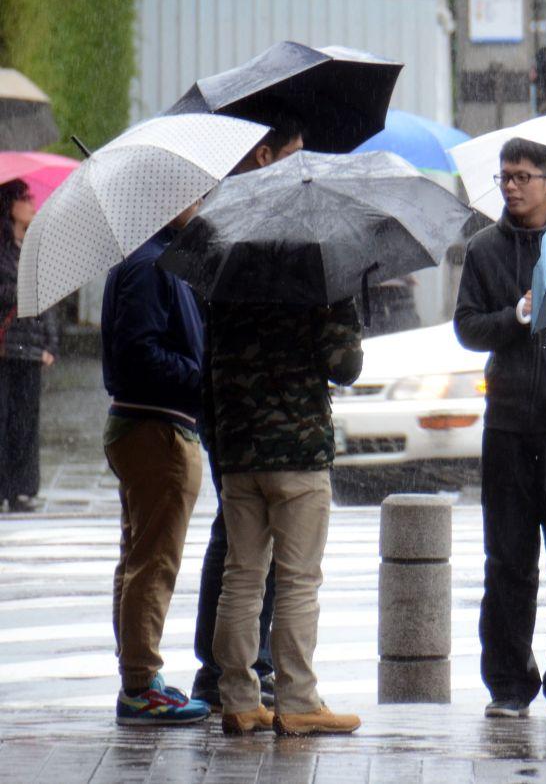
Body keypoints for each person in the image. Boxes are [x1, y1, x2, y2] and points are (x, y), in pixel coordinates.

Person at [453, 138, 546, 720]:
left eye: (523, 176)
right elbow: (467, 326)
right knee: (509, 559)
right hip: (511, 425)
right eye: (505, 176)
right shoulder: (485, 251)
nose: (512, 186)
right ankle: (510, 684)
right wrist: (515, 317)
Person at [207, 287, 363, 732]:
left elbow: (212, 367)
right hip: (298, 451)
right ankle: (297, 701)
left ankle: (237, 698)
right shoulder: (318, 280)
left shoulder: (227, 281)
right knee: (297, 579)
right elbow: (345, 367)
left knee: (241, 575)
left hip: (239, 452)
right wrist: (345, 309)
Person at [190, 114, 305, 712]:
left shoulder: (217, 231)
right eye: (295, 150)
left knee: (236, 555)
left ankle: (225, 679)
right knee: (279, 565)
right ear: (264, 156)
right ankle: (265, 681)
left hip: (231, 419)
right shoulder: (278, 236)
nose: (302, 162)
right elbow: (338, 358)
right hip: (275, 425)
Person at [101, 201, 211, 725]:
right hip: (156, 427)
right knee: (153, 562)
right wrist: (199, 378)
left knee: (138, 557)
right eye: (198, 194)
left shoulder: (156, 258)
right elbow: (138, 352)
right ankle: (140, 684)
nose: (204, 202)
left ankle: (139, 675)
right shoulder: (149, 265)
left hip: (148, 424)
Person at [0, 179, 57, 513]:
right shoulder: (4, 253)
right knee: (4, 418)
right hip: (6, 348)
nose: (32, 204)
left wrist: (52, 343)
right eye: (25, 199)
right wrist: (20, 288)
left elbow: (47, 301)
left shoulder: (35, 249)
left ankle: (22, 488)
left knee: (26, 421)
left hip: (31, 348)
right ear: (10, 207)